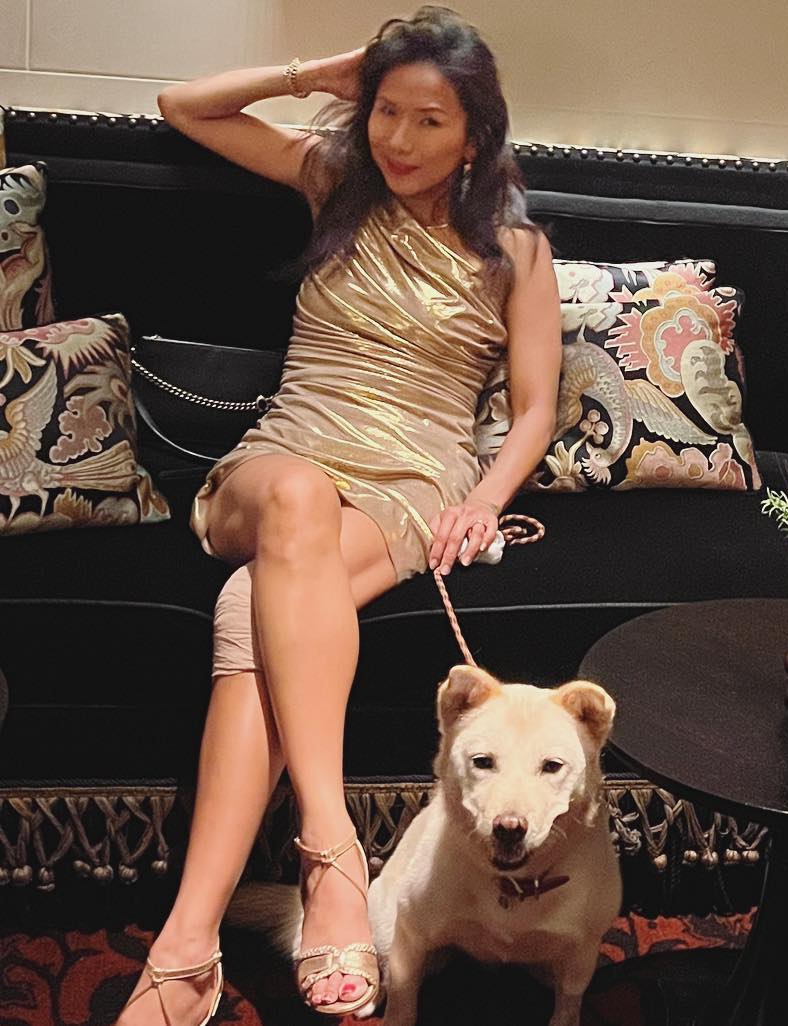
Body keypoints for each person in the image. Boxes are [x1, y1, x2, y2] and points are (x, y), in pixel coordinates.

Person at [117, 8, 561, 1024]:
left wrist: (483, 499)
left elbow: (535, 407)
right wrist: (316, 71)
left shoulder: (517, 250)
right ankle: (333, 849)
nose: (398, 140)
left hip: (412, 479)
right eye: (385, 112)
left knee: (252, 609)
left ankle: (185, 948)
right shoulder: (335, 180)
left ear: (476, 136)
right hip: (285, 457)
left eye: (429, 122)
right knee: (298, 498)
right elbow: (182, 106)